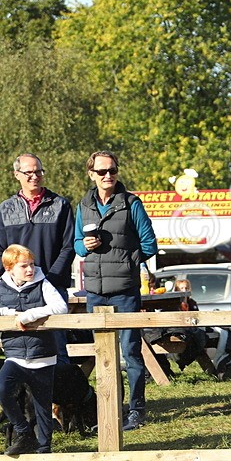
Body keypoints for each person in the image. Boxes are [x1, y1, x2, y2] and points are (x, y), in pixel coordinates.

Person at [73, 151, 159, 431]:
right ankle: (110, 411)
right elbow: (76, 244)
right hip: (95, 292)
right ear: (91, 174)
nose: (108, 175)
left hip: (125, 290)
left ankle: (136, 410)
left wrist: (126, 262)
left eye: (112, 170)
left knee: (131, 352)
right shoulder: (83, 205)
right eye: (101, 171)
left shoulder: (132, 203)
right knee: (103, 355)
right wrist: (86, 247)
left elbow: (149, 244)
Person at [0, 245, 68, 456]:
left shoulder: (43, 283)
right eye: (24, 266)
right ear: (10, 268)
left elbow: (60, 307)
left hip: (43, 356)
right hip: (14, 356)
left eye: (32, 264)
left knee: (42, 406)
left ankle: (44, 449)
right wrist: (10, 313)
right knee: (0, 389)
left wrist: (28, 315)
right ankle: (24, 432)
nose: (30, 269)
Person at [0, 153, 76, 363]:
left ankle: (62, 395)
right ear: (17, 174)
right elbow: (0, 250)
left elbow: (68, 247)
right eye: (28, 172)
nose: (34, 176)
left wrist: (49, 280)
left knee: (57, 351)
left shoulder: (60, 205)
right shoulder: (5, 209)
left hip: (52, 287)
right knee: (20, 350)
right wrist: (12, 282)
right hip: (18, 291)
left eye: (38, 171)